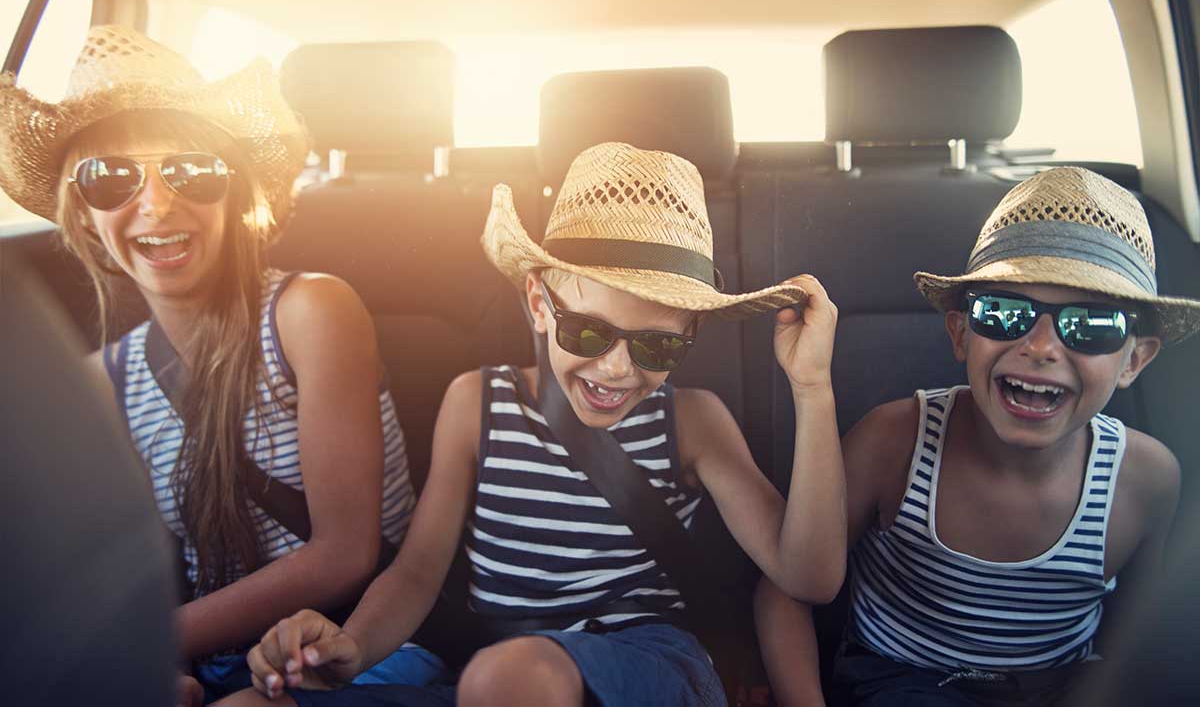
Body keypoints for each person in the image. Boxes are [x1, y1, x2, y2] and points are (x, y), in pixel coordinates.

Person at [221, 141, 847, 707]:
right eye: (589, 331)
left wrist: (811, 387)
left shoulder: (694, 422)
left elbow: (808, 577)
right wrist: (353, 646)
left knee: (511, 678)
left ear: (691, 336)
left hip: (645, 663)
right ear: (538, 304)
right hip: (481, 663)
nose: (618, 369)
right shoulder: (477, 403)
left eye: (657, 348)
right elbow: (416, 573)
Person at [0, 25, 425, 703]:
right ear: (83, 215)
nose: (157, 203)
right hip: (219, 657)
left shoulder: (310, 312)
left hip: (355, 642)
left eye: (189, 170)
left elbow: (346, 553)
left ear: (234, 194)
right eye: (111, 178)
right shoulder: (101, 382)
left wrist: (148, 643)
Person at [755, 166, 1199, 706]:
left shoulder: (1146, 480)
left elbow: (1139, 640)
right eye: (1005, 313)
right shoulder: (894, 442)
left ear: (1134, 359)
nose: (1040, 347)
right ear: (961, 333)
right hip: (901, 680)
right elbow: (786, 589)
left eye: (1091, 324)